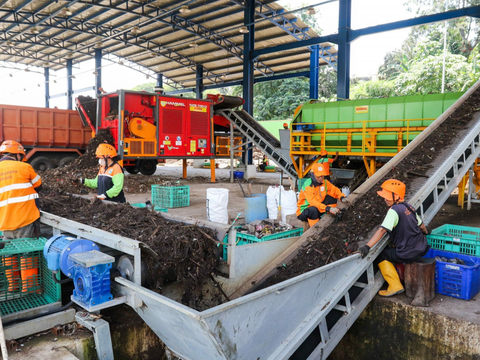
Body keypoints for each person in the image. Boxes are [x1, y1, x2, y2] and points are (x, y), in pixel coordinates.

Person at [358, 179, 430, 297]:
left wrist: (367, 246)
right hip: (422, 247)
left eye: (387, 196)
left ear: (396, 196)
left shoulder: (393, 211)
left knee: (382, 255)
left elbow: (382, 230)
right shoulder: (409, 207)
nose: (385, 199)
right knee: (393, 248)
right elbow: (421, 226)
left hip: (409, 252)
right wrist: (426, 232)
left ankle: (395, 285)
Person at [0, 140, 42, 241]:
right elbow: (39, 186)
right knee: (29, 252)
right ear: (17, 155)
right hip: (26, 220)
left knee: (10, 252)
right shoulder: (24, 167)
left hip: (4, 222)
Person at [296, 163, 348, 227]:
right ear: (313, 174)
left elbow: (334, 190)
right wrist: (328, 208)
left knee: (332, 198)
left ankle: (332, 215)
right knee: (313, 210)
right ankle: (314, 229)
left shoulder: (324, 182)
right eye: (318, 176)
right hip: (304, 211)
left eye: (322, 176)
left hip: (319, 207)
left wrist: (342, 197)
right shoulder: (308, 186)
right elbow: (313, 203)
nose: (321, 178)